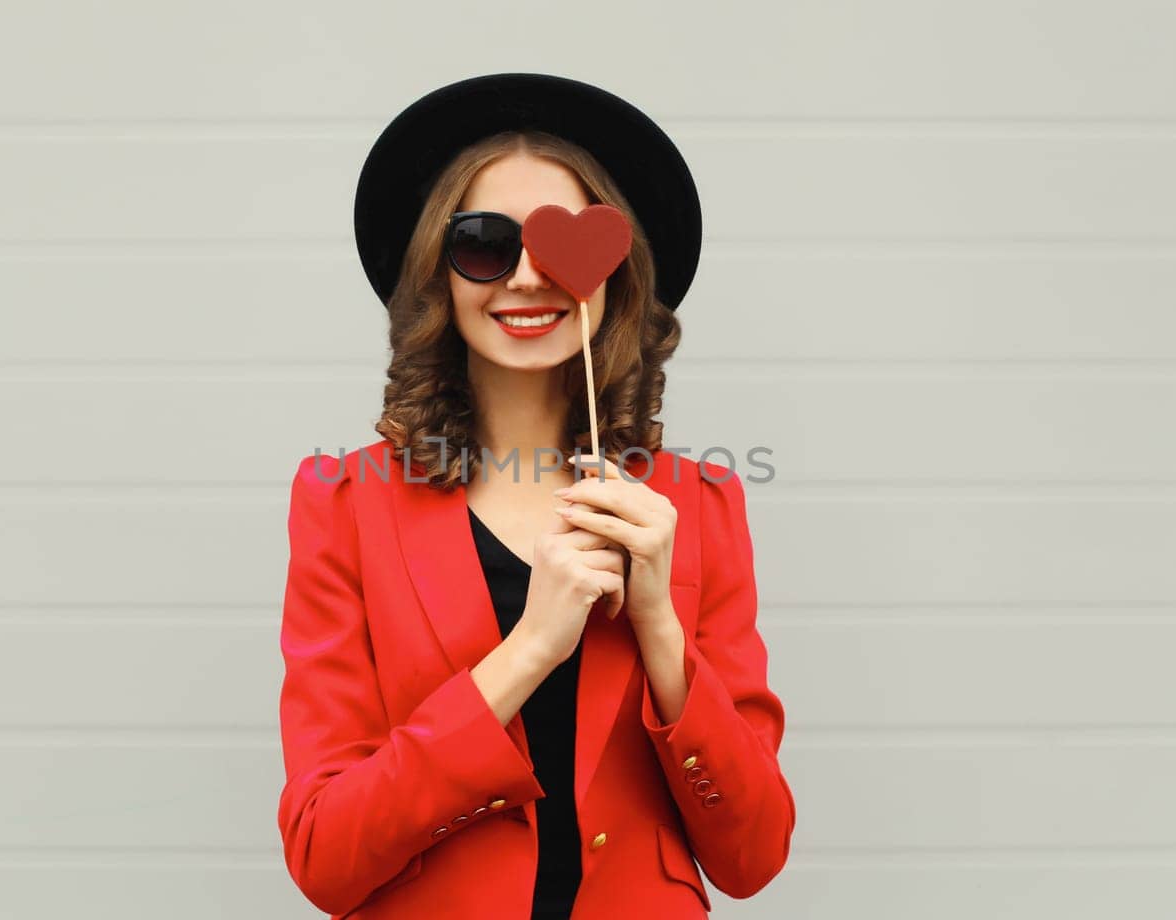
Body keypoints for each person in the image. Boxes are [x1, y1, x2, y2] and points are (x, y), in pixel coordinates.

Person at [277, 72, 795, 919]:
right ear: (436, 273)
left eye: (560, 248)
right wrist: (530, 649)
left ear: (616, 274)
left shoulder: (698, 505)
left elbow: (752, 855)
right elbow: (324, 856)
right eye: (483, 243)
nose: (524, 277)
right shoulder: (344, 503)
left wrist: (660, 624)